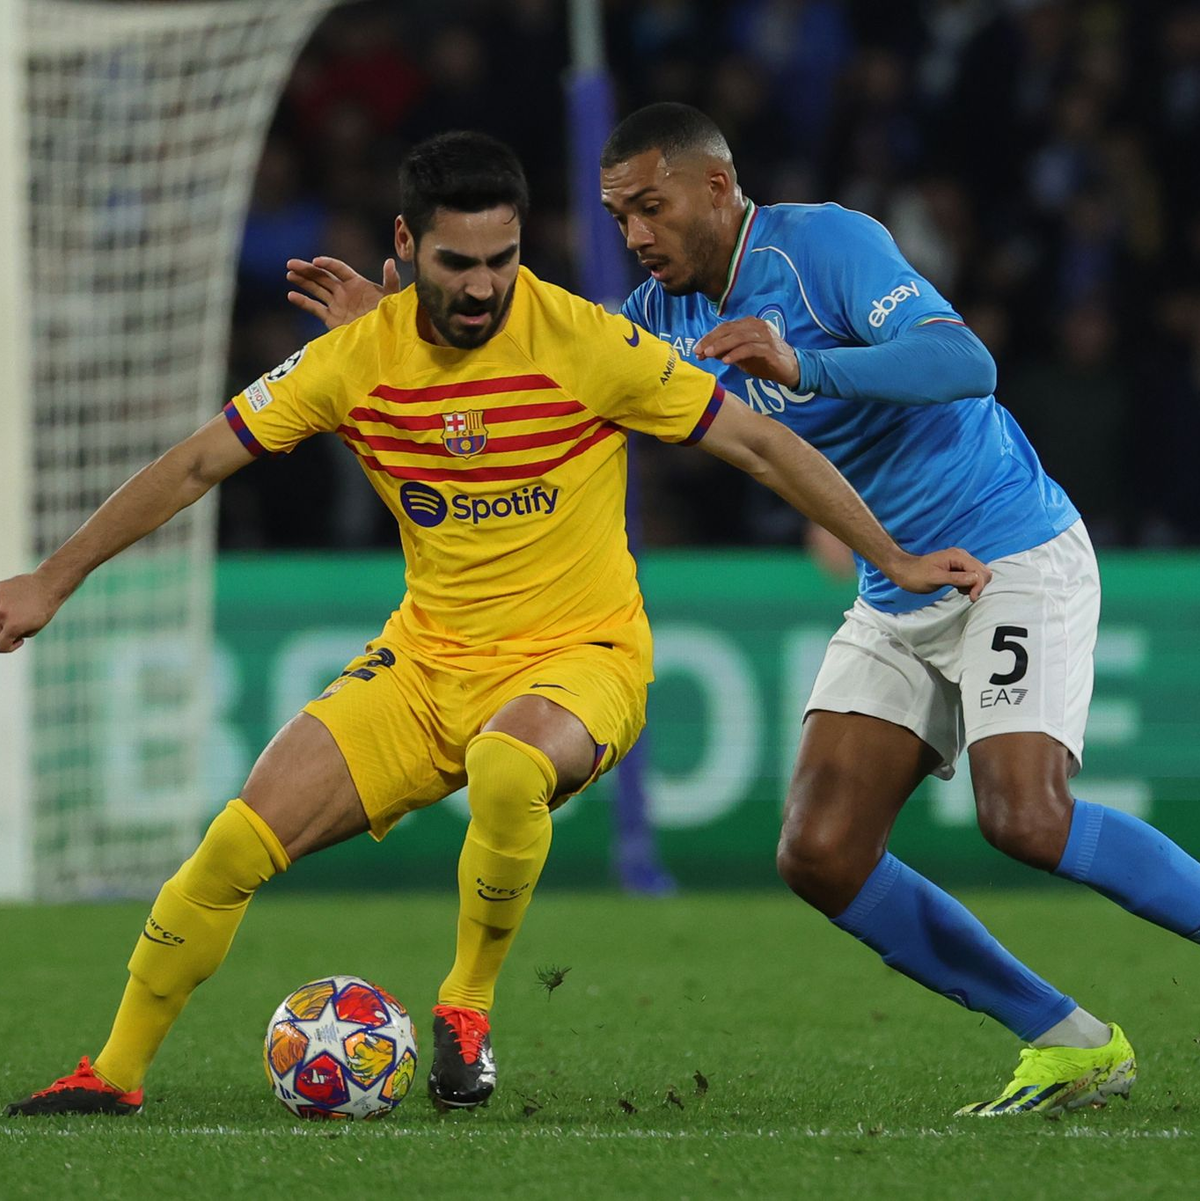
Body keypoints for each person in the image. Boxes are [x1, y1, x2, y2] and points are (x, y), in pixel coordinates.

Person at [0, 131, 988, 1118]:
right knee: (229, 850)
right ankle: (114, 1072)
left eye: (501, 262)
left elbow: (761, 444)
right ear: (406, 241)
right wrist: (50, 580)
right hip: (426, 664)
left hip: (581, 657)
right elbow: (192, 466)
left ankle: (464, 1013)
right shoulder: (351, 361)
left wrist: (892, 558)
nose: (482, 289)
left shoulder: (587, 345)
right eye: (457, 265)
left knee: (507, 765)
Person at [283, 105, 1200, 1119]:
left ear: (716, 189)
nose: (635, 234)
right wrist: (389, 330)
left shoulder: (824, 247)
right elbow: (530, 381)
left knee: (1024, 815)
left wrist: (810, 364)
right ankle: (1068, 1041)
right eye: (618, 214)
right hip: (897, 590)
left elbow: (964, 363)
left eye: (650, 207)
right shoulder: (656, 318)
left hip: (1006, 554)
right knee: (821, 853)